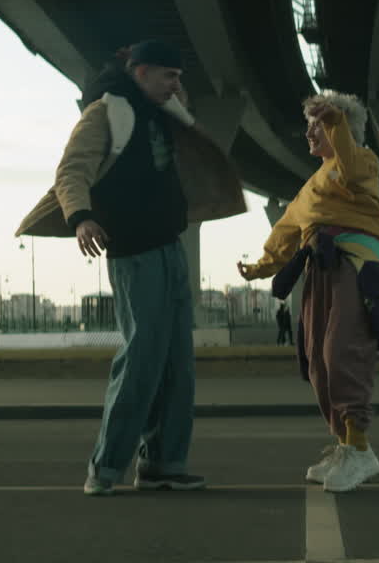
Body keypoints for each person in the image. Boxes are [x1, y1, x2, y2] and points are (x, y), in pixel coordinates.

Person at [16, 40, 245, 496]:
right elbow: (72, 171)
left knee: (178, 364)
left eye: (179, 77)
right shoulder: (106, 113)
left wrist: (182, 109)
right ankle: (105, 467)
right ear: (140, 73)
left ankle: (163, 464)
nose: (177, 84)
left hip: (170, 248)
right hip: (133, 254)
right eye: (169, 76)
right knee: (142, 358)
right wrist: (81, 218)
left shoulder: (166, 114)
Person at [237, 90, 379, 494]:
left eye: (318, 125)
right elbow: (287, 230)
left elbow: (347, 162)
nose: (309, 132)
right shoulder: (310, 185)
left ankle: (361, 449)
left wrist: (336, 121)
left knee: (340, 348)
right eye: (311, 124)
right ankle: (346, 444)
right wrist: (260, 266)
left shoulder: (361, 160)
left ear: (338, 127)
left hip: (355, 266)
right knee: (316, 358)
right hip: (319, 269)